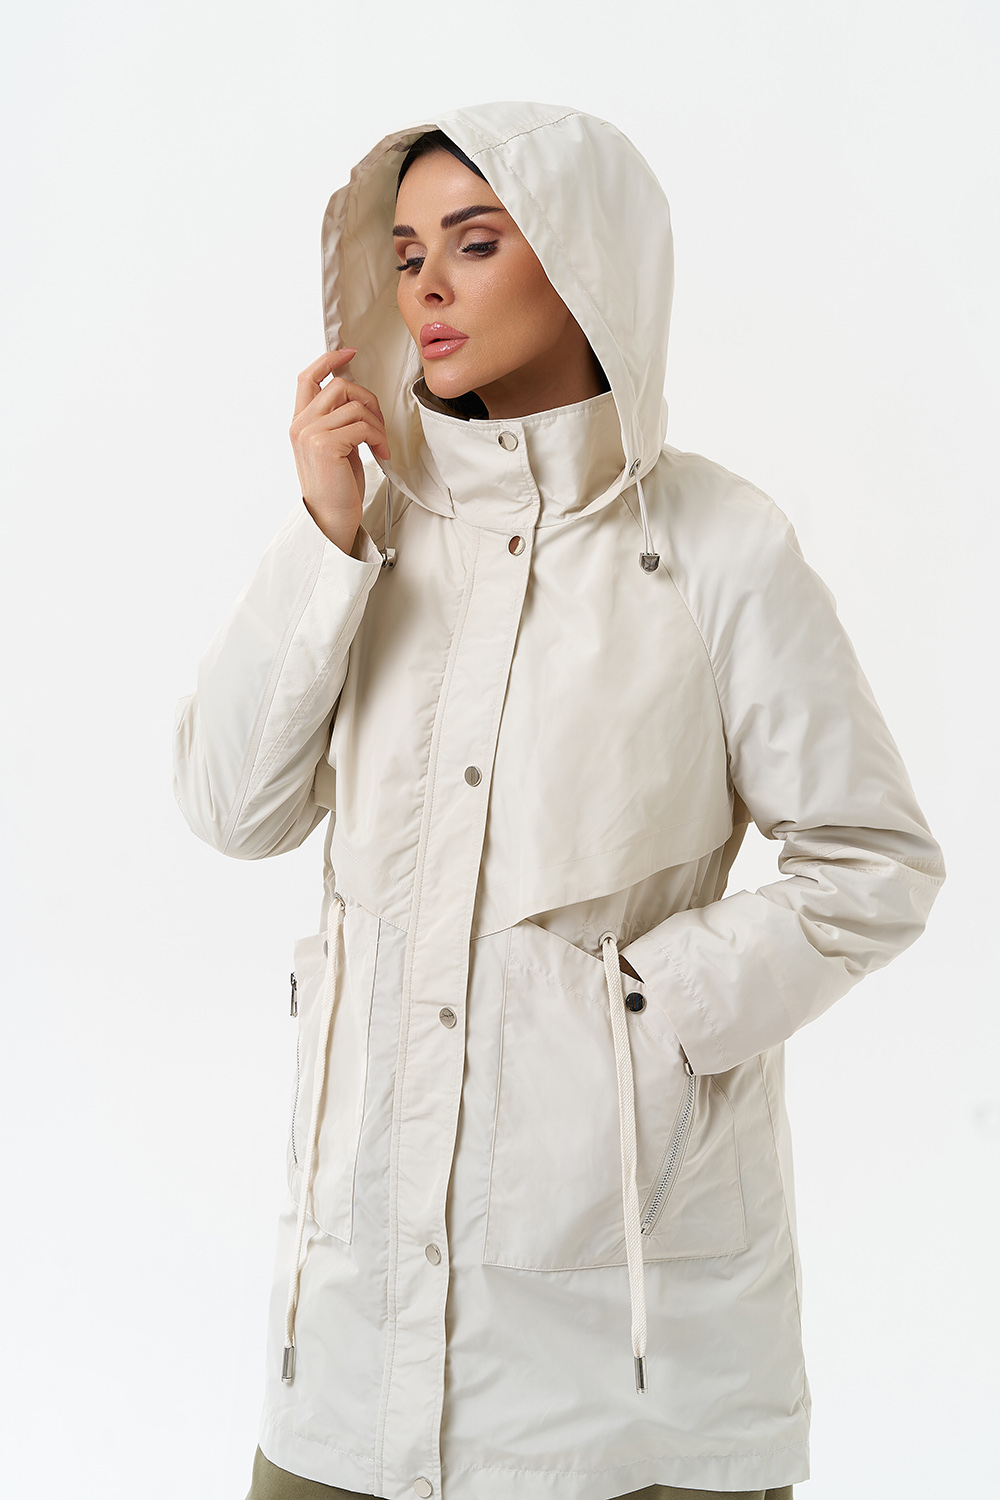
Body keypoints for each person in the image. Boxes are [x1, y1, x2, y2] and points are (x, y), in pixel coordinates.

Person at [172, 103, 945, 1500]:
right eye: (406, 255)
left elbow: (872, 863)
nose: (429, 287)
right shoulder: (369, 531)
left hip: (637, 1372)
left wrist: (650, 1012)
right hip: (350, 1354)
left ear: (586, 262)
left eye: (476, 243)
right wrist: (325, 532)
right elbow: (233, 809)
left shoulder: (719, 546)